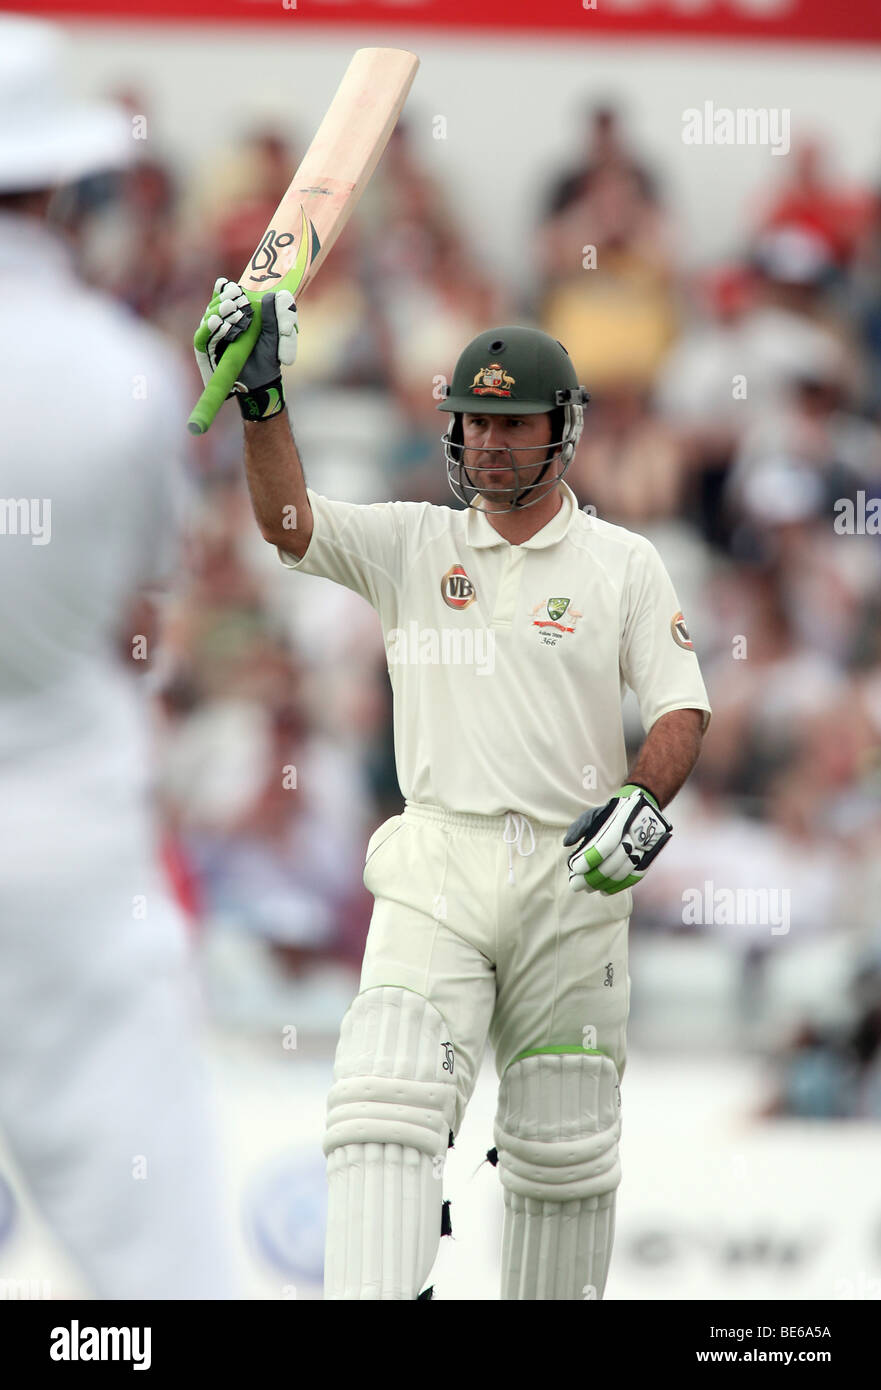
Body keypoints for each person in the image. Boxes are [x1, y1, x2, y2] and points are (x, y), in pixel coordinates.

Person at [194, 279, 712, 1299]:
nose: (486, 444)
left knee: (561, 1152)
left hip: (573, 871)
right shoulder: (412, 545)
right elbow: (287, 523)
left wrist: (639, 803)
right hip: (438, 857)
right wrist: (264, 402)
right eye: (471, 423)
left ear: (560, 432)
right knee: (383, 1108)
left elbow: (679, 711)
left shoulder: (621, 563)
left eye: (510, 425)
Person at [0, 17, 236, 1298]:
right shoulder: (122, 379)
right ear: (51, 186)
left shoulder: (127, 376)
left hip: (65, 821)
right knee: (155, 1273)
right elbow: (138, 628)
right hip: (65, 845)